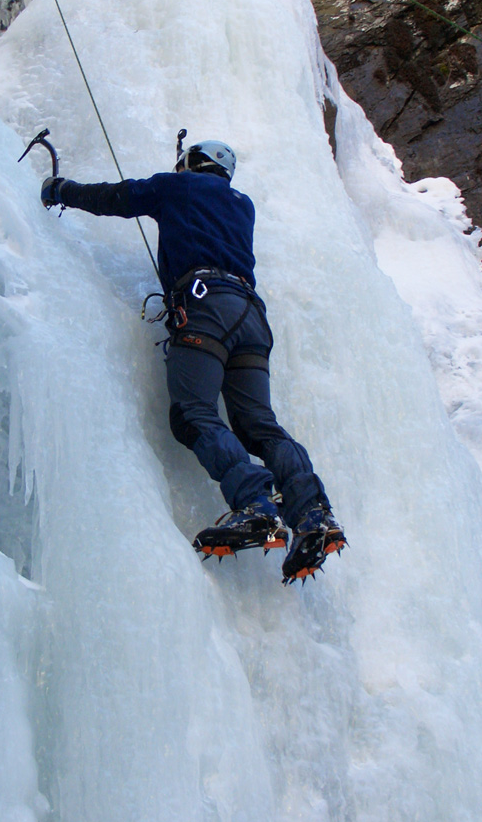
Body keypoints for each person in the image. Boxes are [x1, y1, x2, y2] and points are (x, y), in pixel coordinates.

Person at [40, 138, 345, 583]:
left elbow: (114, 198)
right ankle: (312, 512)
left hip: (205, 308)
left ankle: (255, 505)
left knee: (193, 412)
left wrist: (60, 189)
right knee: (260, 425)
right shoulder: (244, 206)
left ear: (192, 164)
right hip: (251, 318)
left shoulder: (176, 187)